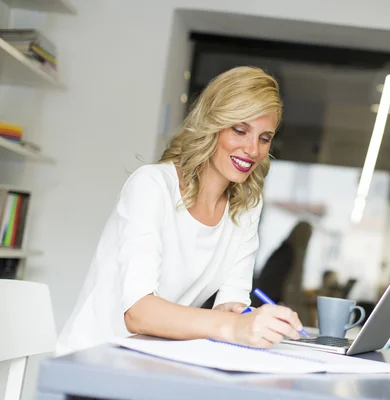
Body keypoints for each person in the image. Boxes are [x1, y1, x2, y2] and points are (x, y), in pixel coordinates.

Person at [56, 66, 304, 355]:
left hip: (153, 360)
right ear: (213, 124)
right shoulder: (152, 186)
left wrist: (246, 319)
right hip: (93, 359)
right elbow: (138, 313)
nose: (253, 149)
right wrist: (232, 326)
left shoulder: (246, 206)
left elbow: (230, 306)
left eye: (264, 138)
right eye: (240, 130)